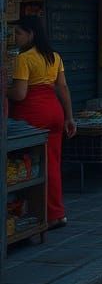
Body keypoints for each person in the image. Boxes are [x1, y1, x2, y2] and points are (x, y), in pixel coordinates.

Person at [7, 15, 76, 229]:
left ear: (31, 34)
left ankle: (32, 213)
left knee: (28, 166)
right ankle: (57, 214)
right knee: (52, 164)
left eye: (18, 33)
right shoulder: (54, 56)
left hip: (32, 115)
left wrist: (3, 88)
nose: (15, 37)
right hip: (54, 113)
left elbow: (19, 94)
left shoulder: (23, 58)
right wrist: (69, 117)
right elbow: (63, 88)